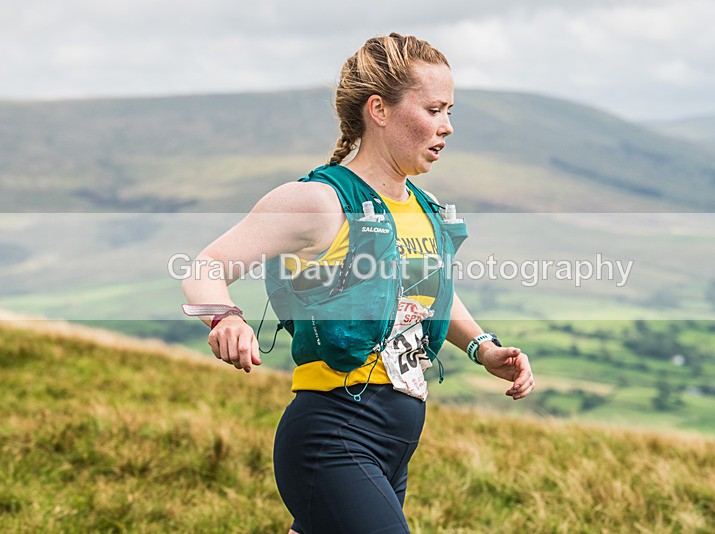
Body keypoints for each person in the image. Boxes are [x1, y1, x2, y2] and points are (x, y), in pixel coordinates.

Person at [182, 33, 535, 534]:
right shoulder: (318, 202)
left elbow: (425, 296)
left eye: (451, 111)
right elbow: (205, 267)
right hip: (334, 434)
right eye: (434, 110)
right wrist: (224, 316)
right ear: (380, 110)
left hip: (395, 447)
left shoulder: (423, 208)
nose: (448, 127)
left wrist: (481, 346)